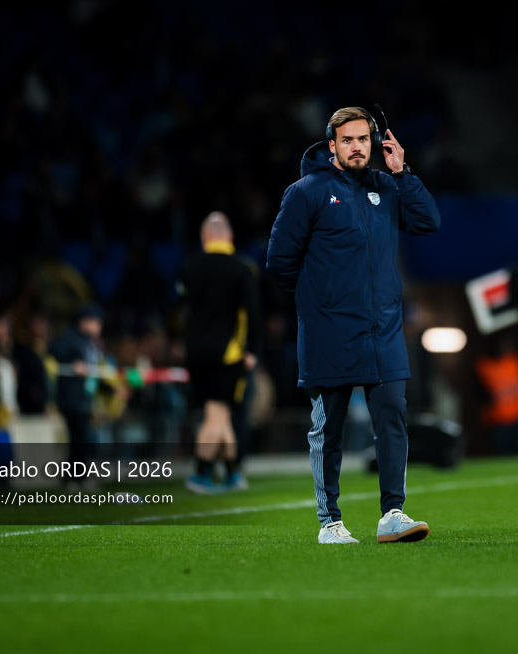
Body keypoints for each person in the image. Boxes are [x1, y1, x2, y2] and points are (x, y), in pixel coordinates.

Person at [265, 106, 441, 544]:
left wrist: (403, 173)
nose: (357, 147)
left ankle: (392, 515)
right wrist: (320, 304)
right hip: (331, 334)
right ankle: (331, 522)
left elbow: (428, 222)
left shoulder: (386, 186)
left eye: (363, 139)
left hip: (383, 332)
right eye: (348, 140)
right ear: (332, 146)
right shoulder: (306, 192)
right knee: (330, 430)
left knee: (392, 422)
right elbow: (279, 263)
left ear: (374, 142)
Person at [178, 211, 262, 494]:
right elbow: (252, 314)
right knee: (217, 414)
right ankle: (202, 473)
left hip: (194, 353)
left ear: (204, 237)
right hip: (228, 354)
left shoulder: (190, 267)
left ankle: (232, 474)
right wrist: (252, 350)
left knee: (218, 414)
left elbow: (179, 309)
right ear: (230, 237)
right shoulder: (241, 269)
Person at [48, 303, 105, 484]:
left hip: (83, 398)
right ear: (84, 322)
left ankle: (75, 478)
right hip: (72, 399)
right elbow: (54, 351)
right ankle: (75, 479)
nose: (99, 326)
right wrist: (73, 364)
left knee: (82, 439)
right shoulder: (70, 338)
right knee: (79, 439)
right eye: (96, 322)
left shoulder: (88, 343)